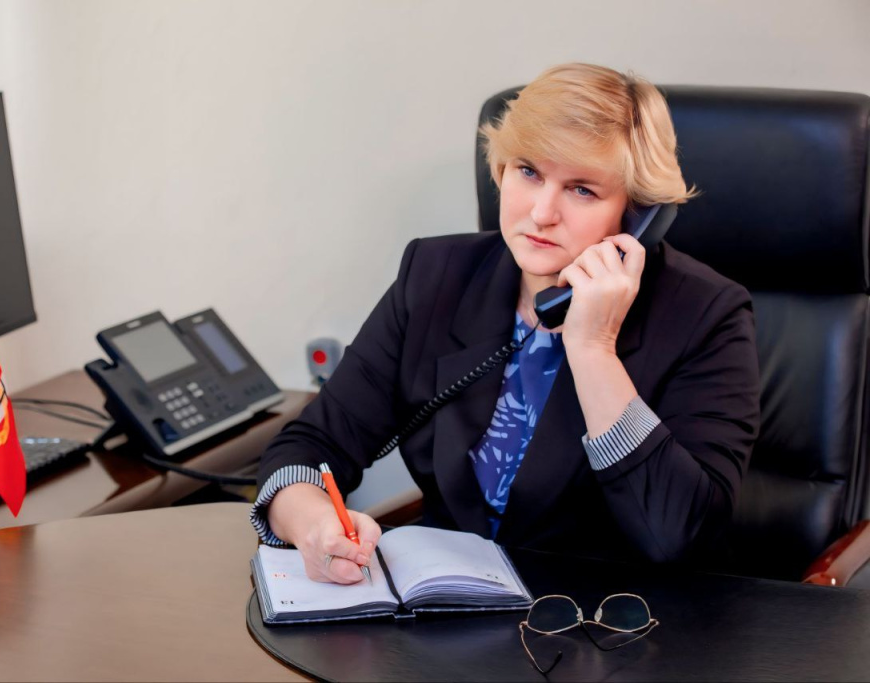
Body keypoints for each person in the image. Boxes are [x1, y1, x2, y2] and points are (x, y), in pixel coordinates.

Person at [250, 63, 760, 584]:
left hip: (619, 626)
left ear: (638, 215)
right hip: (449, 619)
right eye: (528, 171)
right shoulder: (434, 275)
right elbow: (310, 446)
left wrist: (593, 349)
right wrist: (312, 523)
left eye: (582, 189)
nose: (541, 212)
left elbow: (680, 537)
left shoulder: (706, 316)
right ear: (499, 168)